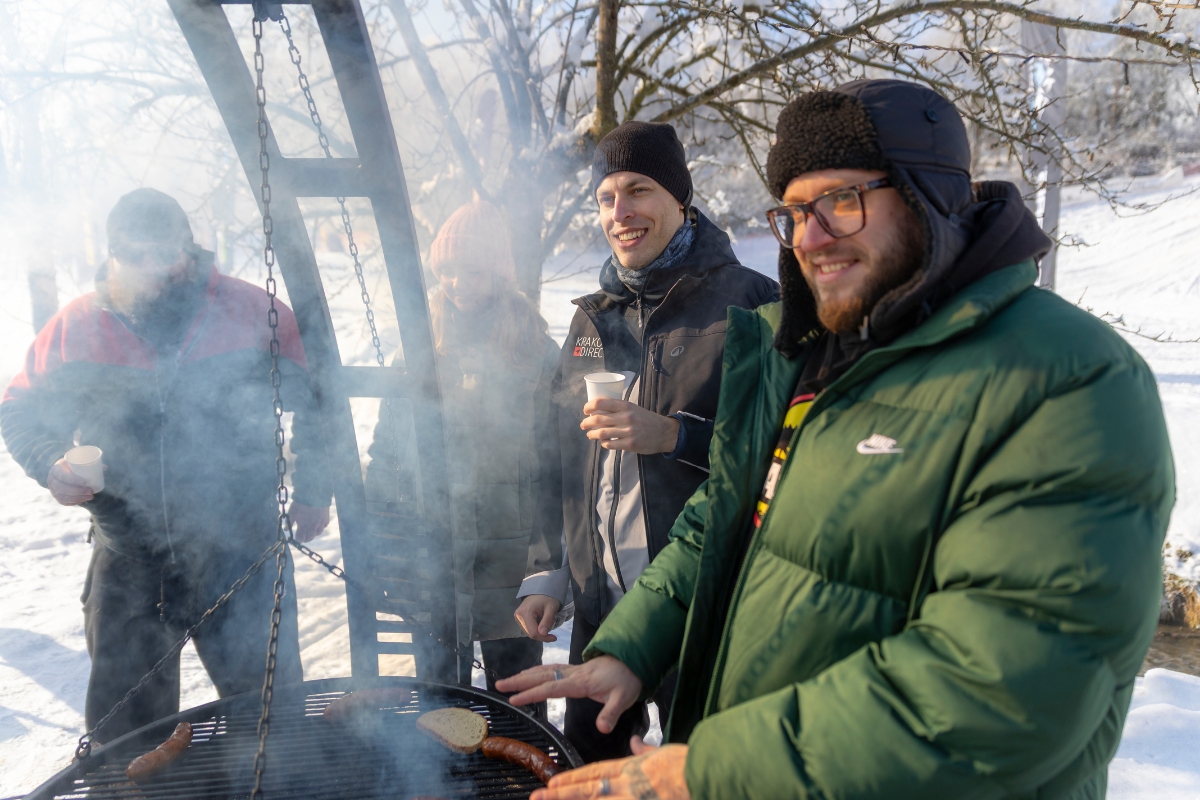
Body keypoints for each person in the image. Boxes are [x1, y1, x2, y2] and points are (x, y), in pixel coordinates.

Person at [497, 80, 1175, 799]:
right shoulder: (806, 355)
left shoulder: (1062, 377)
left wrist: (717, 768)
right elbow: (719, 524)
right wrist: (630, 648)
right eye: (793, 212)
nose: (812, 237)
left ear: (928, 194)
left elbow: (1008, 691)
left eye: (841, 201)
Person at [0, 188, 332, 742]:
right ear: (114, 257)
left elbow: (321, 399)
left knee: (272, 725)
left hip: (242, 552)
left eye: (169, 253)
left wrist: (316, 488)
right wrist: (49, 464)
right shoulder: (78, 325)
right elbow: (19, 408)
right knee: (128, 739)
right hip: (130, 558)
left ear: (189, 247)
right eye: (140, 257)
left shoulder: (254, 311)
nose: (158, 269)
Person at [512, 121, 778, 762]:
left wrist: (675, 436)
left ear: (679, 200)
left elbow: (777, 460)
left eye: (638, 191)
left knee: (703, 771)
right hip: (604, 606)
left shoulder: (748, 305)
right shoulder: (592, 317)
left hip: (701, 612)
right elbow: (555, 451)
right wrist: (549, 570)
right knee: (588, 772)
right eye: (606, 198)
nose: (620, 212)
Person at [362, 201, 561, 715]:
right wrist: (380, 540)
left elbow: (558, 469)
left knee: (516, 707)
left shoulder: (537, 354)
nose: (457, 282)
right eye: (447, 270)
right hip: (432, 564)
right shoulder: (417, 347)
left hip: (510, 570)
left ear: (498, 272)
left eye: (471, 269)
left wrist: (547, 569)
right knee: (435, 705)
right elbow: (386, 452)